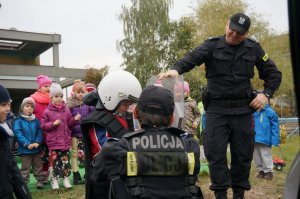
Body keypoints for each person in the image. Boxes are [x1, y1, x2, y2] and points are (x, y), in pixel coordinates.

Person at [158, 13, 282, 199]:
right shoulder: (211, 45)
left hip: (242, 111)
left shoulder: (254, 49)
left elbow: (273, 74)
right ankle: (221, 194)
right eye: (231, 29)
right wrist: (176, 69)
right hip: (217, 110)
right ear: (227, 24)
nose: (233, 34)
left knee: (242, 156)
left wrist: (266, 95)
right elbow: (192, 58)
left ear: (246, 34)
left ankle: (239, 194)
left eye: (239, 33)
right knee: (215, 154)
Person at [91, 85, 203, 199]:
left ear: (135, 114)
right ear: (172, 118)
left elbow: (96, 183)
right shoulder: (191, 147)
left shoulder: (114, 149)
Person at [80, 70, 142, 199]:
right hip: (106, 178)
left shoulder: (121, 117)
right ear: (111, 98)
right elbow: (103, 148)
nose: (127, 108)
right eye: (125, 104)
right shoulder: (98, 121)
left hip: (120, 173)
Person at [41, 83, 81, 190]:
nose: (59, 99)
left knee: (65, 162)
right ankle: (54, 180)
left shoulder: (66, 110)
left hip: (64, 142)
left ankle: (66, 179)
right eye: (56, 96)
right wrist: (52, 124)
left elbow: (69, 124)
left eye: (61, 96)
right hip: (54, 142)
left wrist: (75, 120)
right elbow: (43, 126)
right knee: (54, 162)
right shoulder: (47, 111)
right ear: (51, 97)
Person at [0, 85, 32, 199]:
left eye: (9, 104)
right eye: (3, 105)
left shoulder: (4, 134)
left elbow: (13, 169)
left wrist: (25, 195)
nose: (8, 109)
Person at [67, 80, 94, 185]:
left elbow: (93, 116)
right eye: (78, 92)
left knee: (87, 154)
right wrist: (74, 119)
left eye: (83, 92)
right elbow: (68, 121)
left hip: (86, 133)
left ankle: (88, 173)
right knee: (74, 154)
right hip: (74, 134)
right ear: (74, 93)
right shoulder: (70, 106)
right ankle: (76, 174)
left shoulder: (89, 105)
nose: (81, 94)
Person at [13, 97, 44, 189]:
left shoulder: (36, 121)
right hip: (25, 150)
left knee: (38, 166)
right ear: (22, 108)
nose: (29, 108)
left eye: (31, 107)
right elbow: (18, 133)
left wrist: (37, 142)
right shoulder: (18, 121)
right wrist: (26, 144)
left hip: (36, 149)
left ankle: (40, 181)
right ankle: (24, 183)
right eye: (27, 106)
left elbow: (40, 132)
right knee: (25, 168)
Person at [30, 74, 52, 184]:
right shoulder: (33, 100)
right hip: (38, 133)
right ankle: (40, 178)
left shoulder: (53, 99)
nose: (48, 88)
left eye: (49, 86)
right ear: (40, 88)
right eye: (45, 86)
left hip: (50, 132)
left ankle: (48, 175)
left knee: (49, 155)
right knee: (39, 157)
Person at [253, 102, 279, 180]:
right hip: (254, 138)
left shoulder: (269, 112)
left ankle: (269, 172)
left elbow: (275, 126)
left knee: (266, 155)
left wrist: (275, 139)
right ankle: (261, 171)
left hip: (265, 139)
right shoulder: (253, 112)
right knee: (256, 156)